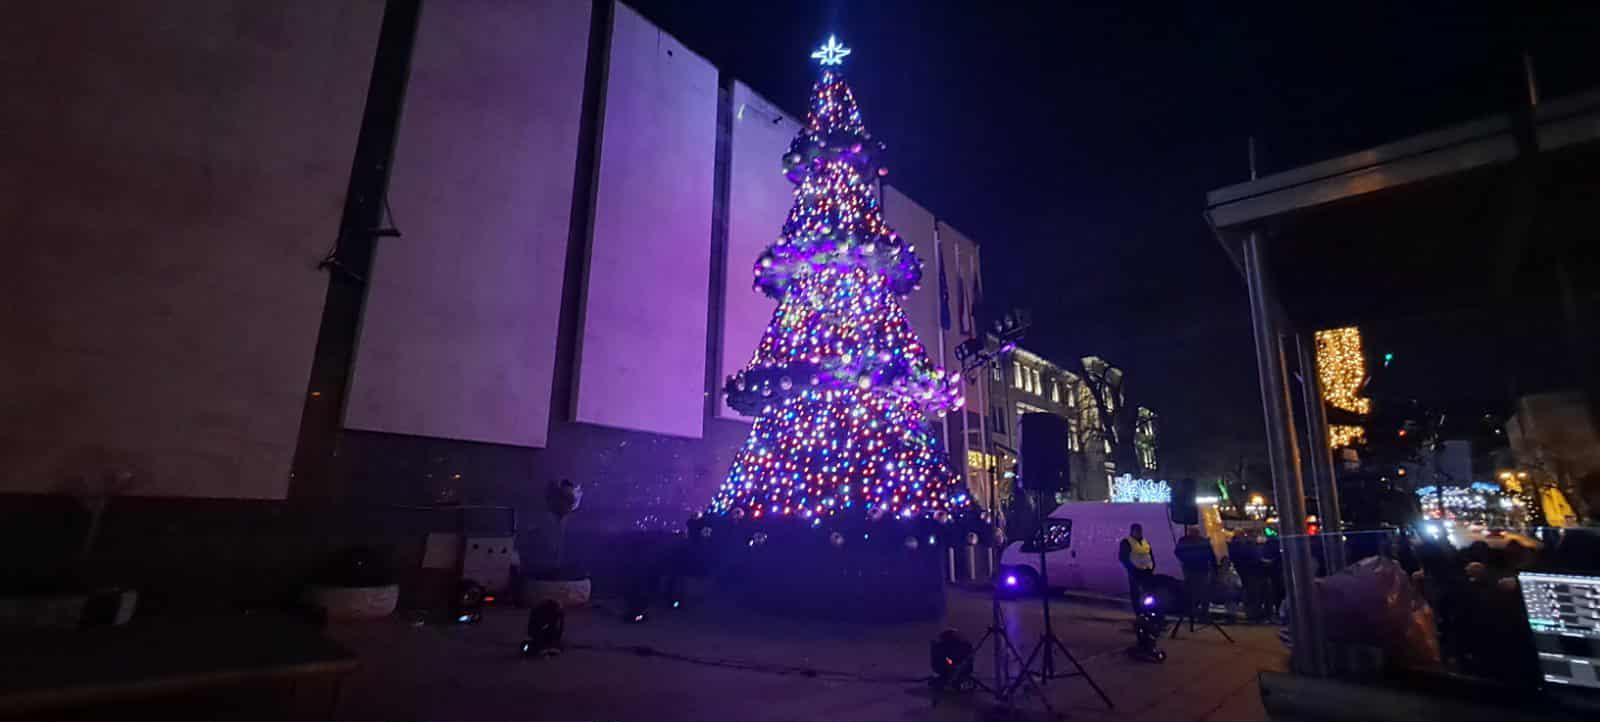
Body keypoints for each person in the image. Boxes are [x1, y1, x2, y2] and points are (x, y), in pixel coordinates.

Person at [1174, 526, 1218, 623]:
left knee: (1202, 593)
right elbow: (1177, 552)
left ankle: (1202, 613)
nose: (1194, 533)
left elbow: (1211, 555)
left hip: (1199, 570)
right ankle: (1195, 612)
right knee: (1194, 592)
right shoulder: (1186, 541)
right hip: (1193, 570)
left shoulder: (1198, 542)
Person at [1119, 523, 1156, 614]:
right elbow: (1123, 557)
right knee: (1136, 593)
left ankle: (1148, 611)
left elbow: (1150, 555)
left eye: (1140, 531)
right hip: (1135, 572)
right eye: (1137, 531)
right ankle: (1139, 612)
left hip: (1146, 572)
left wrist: (1152, 566)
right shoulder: (1127, 542)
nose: (1139, 532)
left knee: (1148, 592)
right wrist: (1131, 569)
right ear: (1132, 531)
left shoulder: (1145, 542)